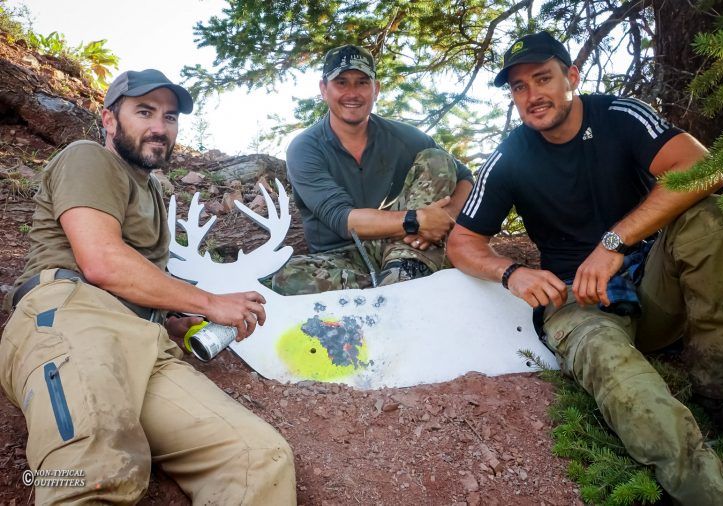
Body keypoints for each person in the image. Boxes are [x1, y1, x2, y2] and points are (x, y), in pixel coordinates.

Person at [447, 31, 723, 504]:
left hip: (654, 282)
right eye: (519, 87)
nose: (532, 95)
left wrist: (615, 242)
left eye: (543, 78)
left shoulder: (619, 116)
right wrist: (512, 273)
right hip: (580, 304)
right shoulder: (511, 154)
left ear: (571, 77)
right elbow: (461, 241)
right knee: (619, 375)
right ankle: (711, 495)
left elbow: (703, 166)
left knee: (712, 216)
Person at [0, 69, 296, 504]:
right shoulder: (89, 157)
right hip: (72, 318)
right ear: (109, 119)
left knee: (258, 456)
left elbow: (135, 284)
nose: (160, 127)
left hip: (146, 343)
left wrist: (173, 317)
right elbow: (101, 262)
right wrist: (210, 302)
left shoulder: (153, 192)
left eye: (170, 116)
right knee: (92, 472)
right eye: (144, 111)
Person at [273, 44, 474, 295]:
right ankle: (394, 285)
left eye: (362, 83)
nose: (352, 93)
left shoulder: (402, 136)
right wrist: (419, 220)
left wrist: (446, 218)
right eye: (341, 82)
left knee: (437, 159)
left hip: (400, 243)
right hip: (339, 256)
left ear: (375, 89)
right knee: (288, 278)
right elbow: (343, 219)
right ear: (324, 89)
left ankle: (408, 269)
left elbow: (465, 177)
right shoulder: (305, 148)